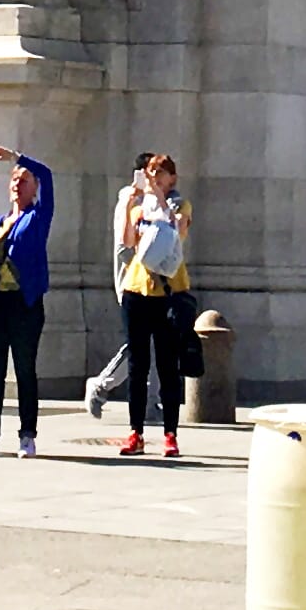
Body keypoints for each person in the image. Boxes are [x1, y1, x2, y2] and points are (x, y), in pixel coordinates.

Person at [0, 148, 53, 458]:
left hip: (25, 303)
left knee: (24, 370)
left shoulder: (38, 216)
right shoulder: (2, 220)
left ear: (34, 187)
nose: (18, 183)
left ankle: (27, 435)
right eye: (15, 180)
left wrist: (15, 157)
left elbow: (47, 174)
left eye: (24, 179)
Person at [113, 150, 190, 456]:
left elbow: (178, 232)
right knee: (138, 364)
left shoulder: (179, 204)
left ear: (172, 178)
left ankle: (170, 433)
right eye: (150, 172)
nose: (154, 177)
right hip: (137, 289)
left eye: (161, 172)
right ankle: (136, 431)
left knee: (168, 364)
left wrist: (157, 195)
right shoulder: (140, 208)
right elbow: (128, 241)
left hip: (168, 292)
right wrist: (130, 204)